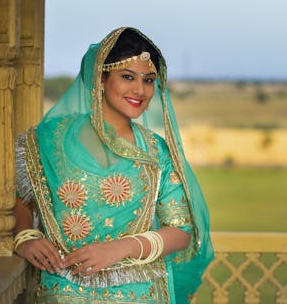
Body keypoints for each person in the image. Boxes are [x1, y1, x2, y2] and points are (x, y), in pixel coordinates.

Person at [12, 27, 214, 303]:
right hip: (62, 289)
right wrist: (25, 236)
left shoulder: (156, 152)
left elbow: (180, 232)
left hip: (139, 293)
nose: (140, 90)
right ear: (101, 78)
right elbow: (16, 197)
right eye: (127, 77)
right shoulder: (47, 140)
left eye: (149, 80)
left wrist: (119, 248)